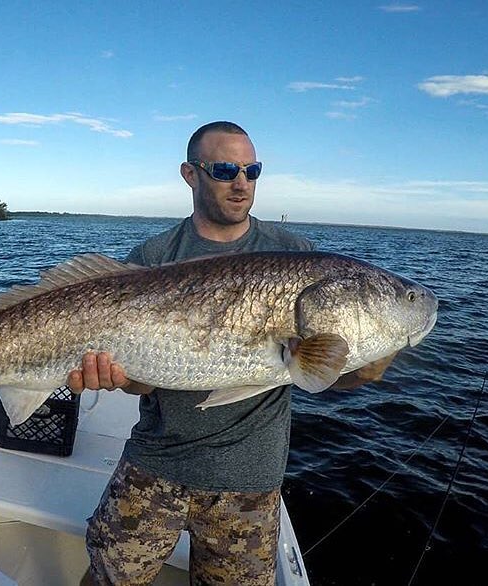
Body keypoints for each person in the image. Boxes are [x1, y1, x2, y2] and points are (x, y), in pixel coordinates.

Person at [67, 121, 353, 586]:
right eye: (225, 169)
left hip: (249, 480)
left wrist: (369, 363)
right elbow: (142, 381)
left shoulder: (293, 254)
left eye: (252, 170)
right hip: (154, 463)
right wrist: (114, 376)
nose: (242, 183)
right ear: (190, 174)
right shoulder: (155, 254)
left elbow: (322, 370)